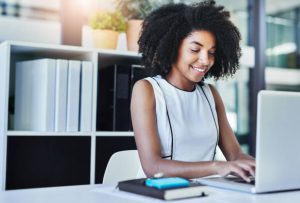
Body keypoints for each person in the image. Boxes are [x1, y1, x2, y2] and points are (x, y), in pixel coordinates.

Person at [130, 0, 255, 182]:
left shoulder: (210, 94)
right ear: (173, 47)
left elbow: (235, 154)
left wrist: (260, 166)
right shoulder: (147, 90)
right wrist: (217, 166)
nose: (205, 60)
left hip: (205, 191)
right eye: (195, 49)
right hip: (158, 193)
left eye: (211, 52)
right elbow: (153, 167)